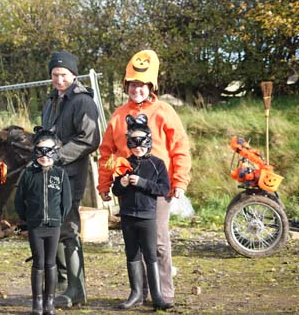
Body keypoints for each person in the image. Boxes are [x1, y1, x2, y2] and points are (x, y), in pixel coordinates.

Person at [97, 49, 191, 305]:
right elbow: (106, 152)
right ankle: (139, 292)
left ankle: (164, 293)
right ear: (126, 86)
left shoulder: (164, 111)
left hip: (157, 189)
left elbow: (180, 147)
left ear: (151, 86)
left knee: (158, 241)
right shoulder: (118, 116)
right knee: (133, 243)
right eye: (133, 84)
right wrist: (105, 183)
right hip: (128, 190)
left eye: (142, 85)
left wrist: (179, 180)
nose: (137, 89)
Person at [41, 51, 101, 308]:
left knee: (68, 225)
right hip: (49, 172)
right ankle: (63, 284)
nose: (59, 79)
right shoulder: (51, 100)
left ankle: (77, 289)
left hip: (72, 173)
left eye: (63, 75)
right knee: (52, 222)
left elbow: (90, 139)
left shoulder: (82, 101)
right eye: (55, 75)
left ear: (73, 75)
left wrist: (58, 156)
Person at [111, 114, 172, 310]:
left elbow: (163, 188)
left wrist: (143, 183)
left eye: (142, 142)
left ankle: (157, 296)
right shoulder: (124, 163)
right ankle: (136, 293)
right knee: (132, 254)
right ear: (128, 142)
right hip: (128, 216)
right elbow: (115, 190)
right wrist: (120, 183)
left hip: (147, 216)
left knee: (151, 254)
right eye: (133, 142)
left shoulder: (157, 164)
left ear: (149, 141)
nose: (138, 146)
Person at [14, 127, 72, 315]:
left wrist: (58, 219)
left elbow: (67, 201)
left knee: (50, 262)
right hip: (35, 226)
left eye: (49, 151)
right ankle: (37, 302)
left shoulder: (60, 174)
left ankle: (50, 301)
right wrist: (28, 219)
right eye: (41, 151)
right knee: (38, 262)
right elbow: (19, 200)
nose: (45, 156)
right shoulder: (28, 175)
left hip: (53, 226)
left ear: (56, 152)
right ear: (34, 152)